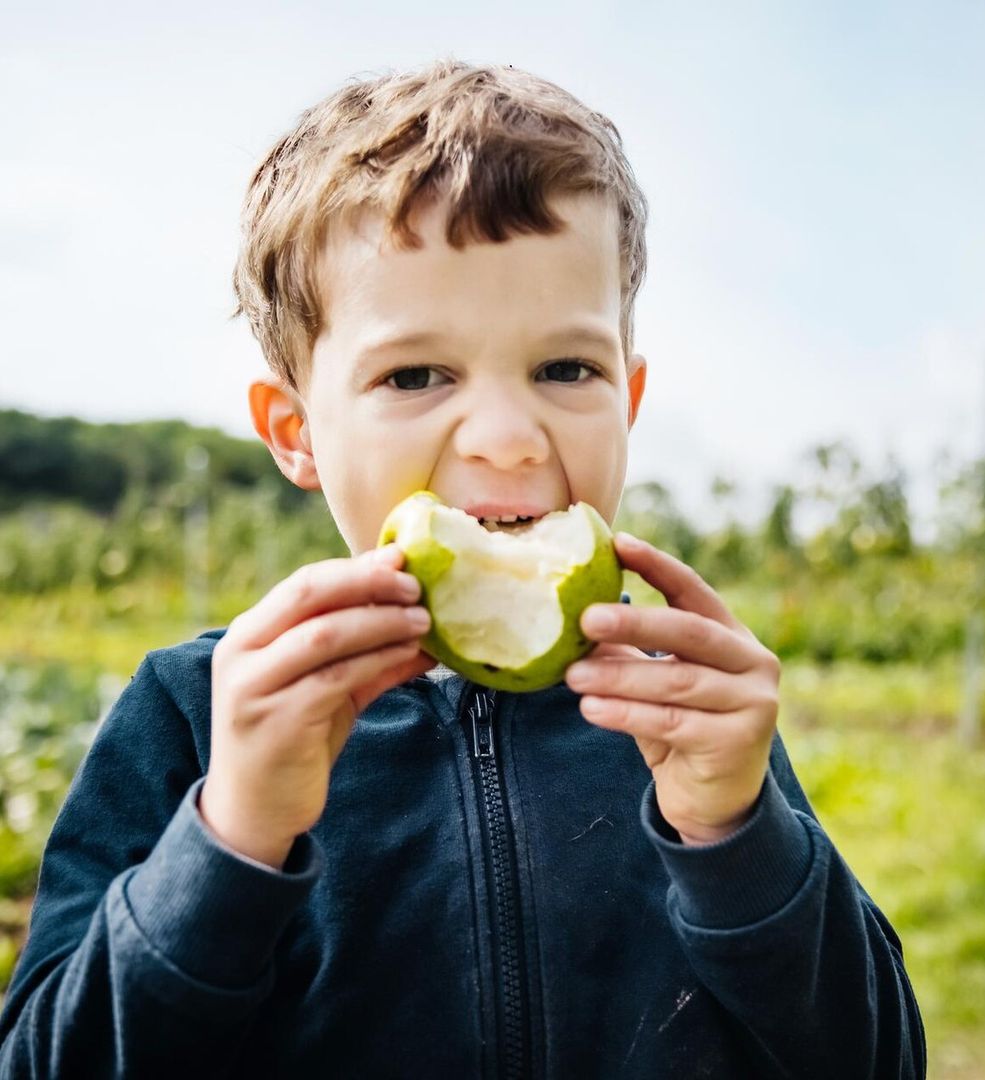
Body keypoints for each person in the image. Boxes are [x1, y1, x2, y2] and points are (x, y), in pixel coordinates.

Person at [0, 60, 926, 1078]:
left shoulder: (676, 718)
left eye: (566, 369)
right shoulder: (194, 717)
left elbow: (877, 1058)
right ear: (297, 431)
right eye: (415, 374)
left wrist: (738, 837)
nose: (507, 437)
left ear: (631, 396)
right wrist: (232, 839)